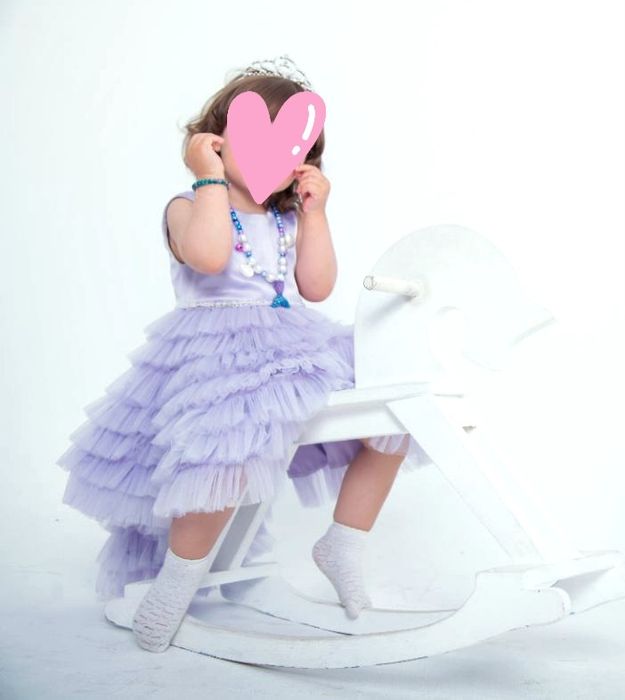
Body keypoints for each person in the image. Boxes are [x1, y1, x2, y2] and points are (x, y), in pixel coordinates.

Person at [55, 54, 434, 653]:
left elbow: (317, 287)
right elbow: (209, 258)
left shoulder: (289, 217)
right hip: (217, 353)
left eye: (294, 151)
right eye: (258, 143)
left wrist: (316, 214)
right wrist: (208, 178)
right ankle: (177, 582)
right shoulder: (188, 206)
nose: (276, 161)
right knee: (225, 449)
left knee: (392, 408)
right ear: (214, 141)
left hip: (296, 342)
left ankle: (344, 542)